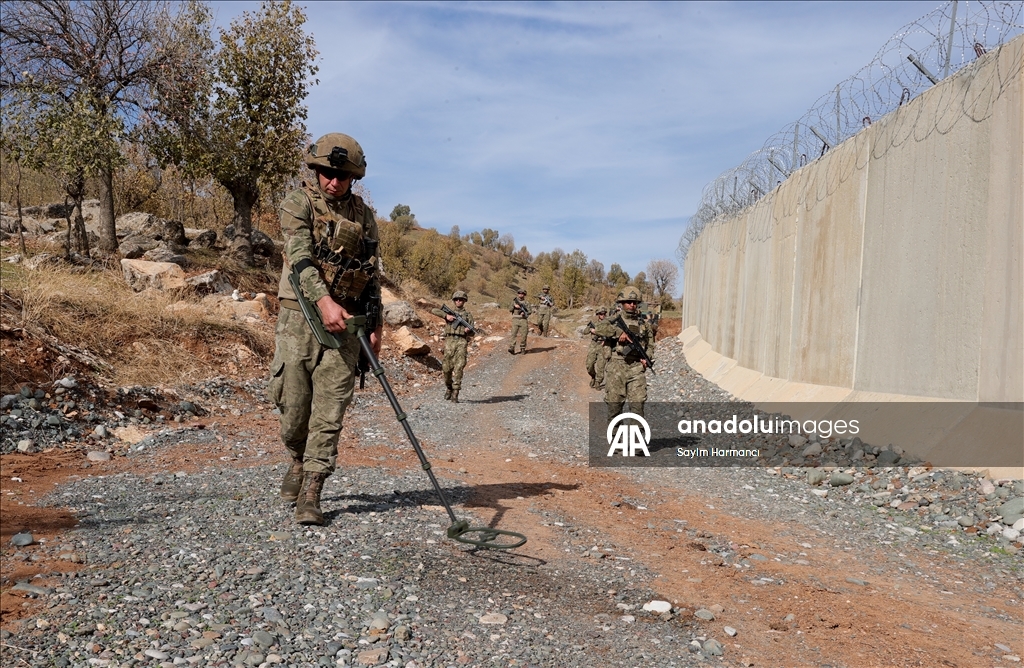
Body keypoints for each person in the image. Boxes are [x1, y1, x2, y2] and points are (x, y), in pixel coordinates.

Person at [268, 133, 382, 526]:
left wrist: (374, 325)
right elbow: (298, 255)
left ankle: (313, 488)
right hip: (299, 315)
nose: (335, 182)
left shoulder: (364, 215)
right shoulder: (297, 202)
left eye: (343, 176)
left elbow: (372, 273)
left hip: (347, 321)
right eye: (328, 174)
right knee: (293, 407)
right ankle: (297, 460)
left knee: (331, 409)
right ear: (316, 171)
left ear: (354, 177)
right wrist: (323, 300)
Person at [594, 286, 654, 420]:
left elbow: (650, 345)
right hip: (616, 367)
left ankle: (636, 440)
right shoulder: (613, 319)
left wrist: (647, 358)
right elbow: (598, 328)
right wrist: (618, 332)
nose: (632, 305)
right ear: (621, 303)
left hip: (636, 368)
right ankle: (615, 438)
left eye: (635, 302)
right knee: (614, 407)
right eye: (628, 302)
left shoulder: (644, 324)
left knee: (637, 408)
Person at [431, 290, 475, 403]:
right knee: (446, 368)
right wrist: (446, 316)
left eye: (461, 299)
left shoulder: (468, 315)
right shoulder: (450, 313)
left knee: (459, 366)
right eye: (456, 299)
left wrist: (468, 331)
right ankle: (449, 387)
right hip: (449, 341)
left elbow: (473, 332)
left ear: (465, 301)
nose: (458, 301)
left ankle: (456, 392)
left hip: (461, 341)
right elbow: (434, 310)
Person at [585, 306, 613, 389]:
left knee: (601, 366)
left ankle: (598, 382)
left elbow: (613, 334)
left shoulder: (609, 324)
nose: (603, 315)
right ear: (598, 315)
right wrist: (590, 329)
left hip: (603, 346)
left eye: (604, 314)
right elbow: (585, 332)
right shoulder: (594, 323)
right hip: (594, 345)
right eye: (601, 314)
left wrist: (607, 339)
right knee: (589, 365)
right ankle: (593, 376)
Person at [508, 288, 530, 354]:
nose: (520, 294)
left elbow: (530, 311)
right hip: (515, 319)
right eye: (519, 293)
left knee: (524, 335)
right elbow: (510, 309)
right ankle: (512, 348)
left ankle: (522, 348)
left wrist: (524, 313)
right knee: (513, 334)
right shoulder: (514, 302)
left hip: (523, 320)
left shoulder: (526, 303)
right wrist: (514, 306)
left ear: (524, 295)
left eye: (522, 293)